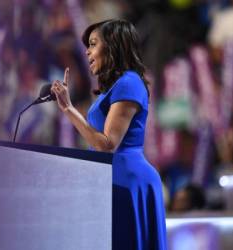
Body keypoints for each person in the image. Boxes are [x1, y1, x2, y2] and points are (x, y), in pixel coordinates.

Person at [50, 19, 167, 250]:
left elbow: (107, 145)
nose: (87, 51)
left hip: (126, 182)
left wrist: (69, 110)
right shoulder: (114, 88)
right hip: (110, 180)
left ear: (112, 46)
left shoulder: (129, 83)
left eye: (93, 44)